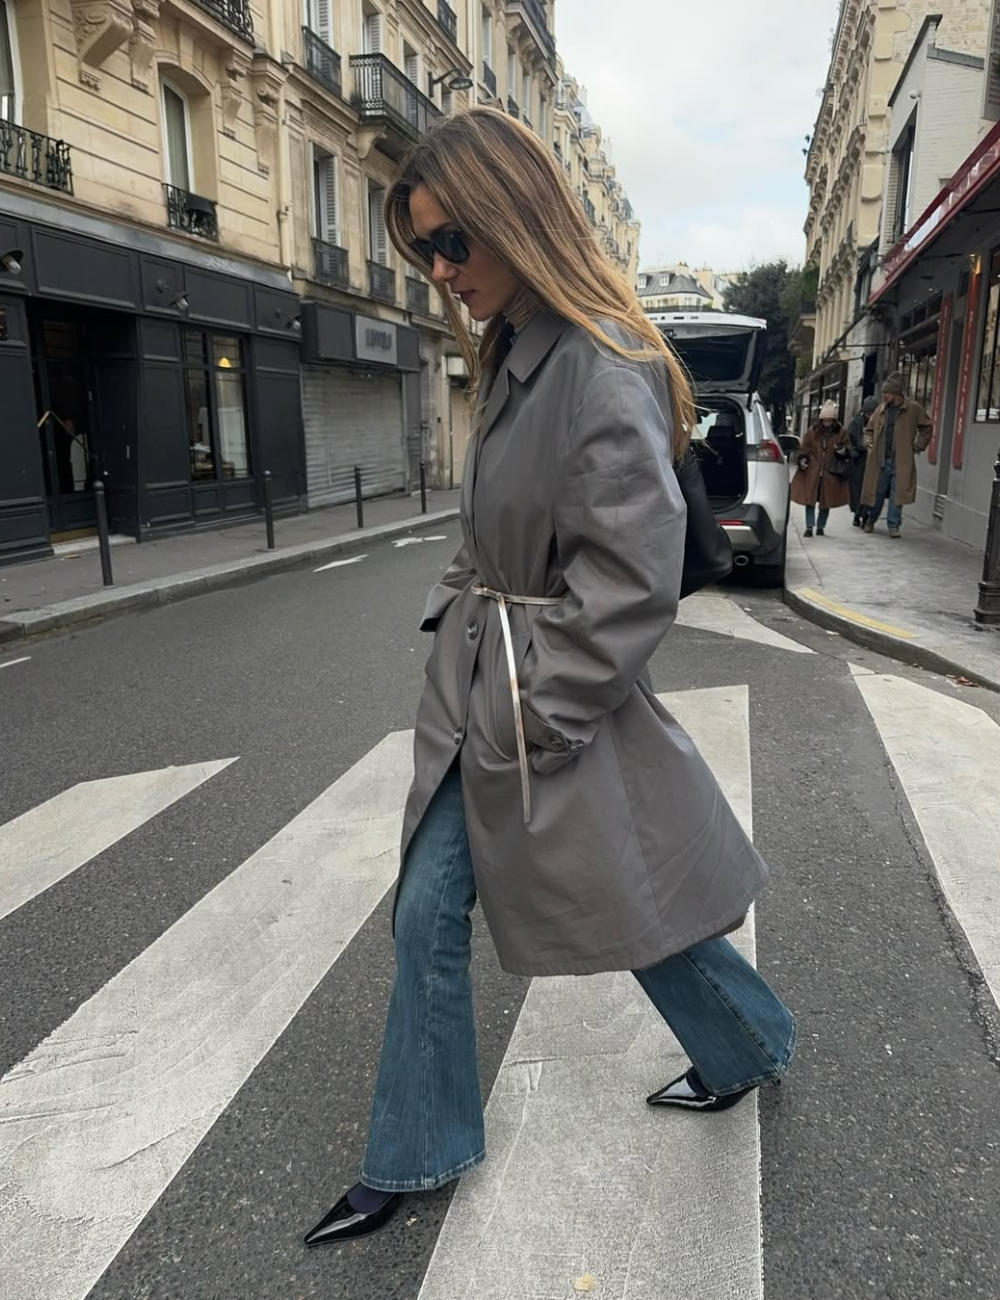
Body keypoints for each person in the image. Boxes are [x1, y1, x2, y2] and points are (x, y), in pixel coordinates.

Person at [303, 108, 796, 1248]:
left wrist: (536, 711)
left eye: (451, 242)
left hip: (536, 699)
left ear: (516, 217)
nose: (438, 270)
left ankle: (744, 1042)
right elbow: (493, 525)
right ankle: (414, 1147)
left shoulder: (596, 361)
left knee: (629, 898)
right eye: (421, 248)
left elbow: (627, 578)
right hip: (487, 680)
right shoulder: (516, 348)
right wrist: (454, 607)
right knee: (439, 906)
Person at [861, 373, 933, 538]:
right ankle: (871, 519)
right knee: (876, 492)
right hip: (880, 459)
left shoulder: (913, 409)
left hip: (901, 460)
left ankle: (894, 525)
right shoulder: (881, 409)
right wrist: (868, 442)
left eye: (887, 393)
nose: (884, 395)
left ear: (897, 394)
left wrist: (917, 446)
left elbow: (927, 427)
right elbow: (869, 430)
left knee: (897, 494)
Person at [789, 400, 852, 537]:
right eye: (825, 420)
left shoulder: (841, 433)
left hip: (831, 471)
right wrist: (803, 459)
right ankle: (809, 526)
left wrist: (841, 450)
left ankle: (821, 526)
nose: (827, 423)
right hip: (813, 470)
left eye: (830, 421)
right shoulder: (812, 432)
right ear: (821, 420)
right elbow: (804, 449)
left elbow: (849, 449)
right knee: (809, 499)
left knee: (826, 500)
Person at [847, 396, 878, 526]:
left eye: (872, 413)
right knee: (857, 489)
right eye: (868, 413)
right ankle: (857, 514)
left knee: (870, 489)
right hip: (859, 460)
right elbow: (849, 440)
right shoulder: (856, 423)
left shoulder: (879, 422)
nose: (870, 416)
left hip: (873, 460)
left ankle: (865, 515)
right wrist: (856, 450)